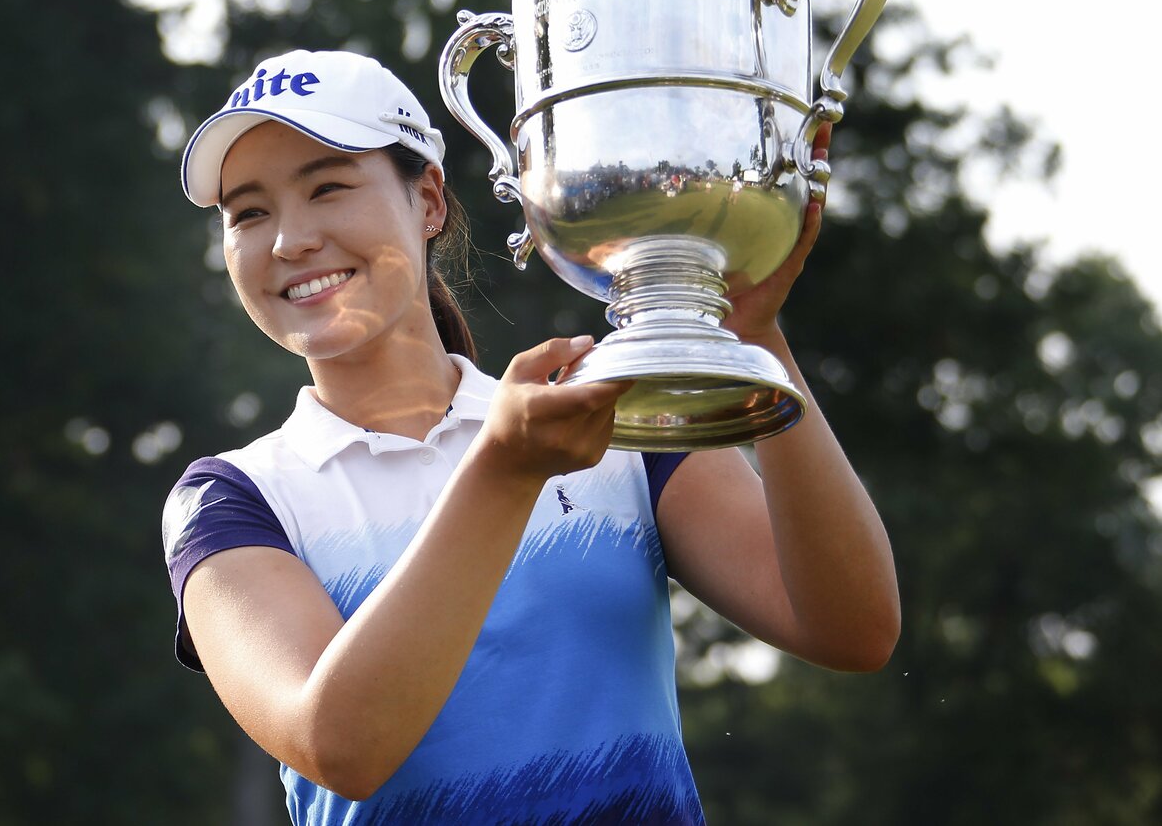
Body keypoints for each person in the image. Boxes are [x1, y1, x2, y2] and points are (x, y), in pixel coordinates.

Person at [162, 49, 900, 825]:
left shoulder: (603, 417)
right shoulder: (231, 499)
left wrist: (755, 337)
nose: (289, 240)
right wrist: (504, 473)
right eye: (249, 212)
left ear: (429, 202)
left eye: (328, 187)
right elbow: (342, 742)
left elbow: (852, 627)